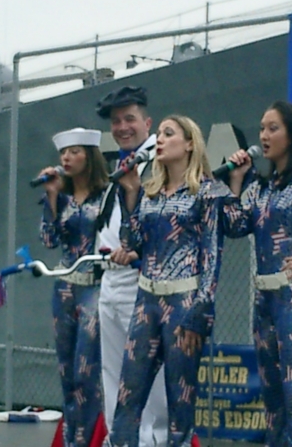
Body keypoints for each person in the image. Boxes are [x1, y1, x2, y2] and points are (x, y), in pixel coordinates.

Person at [103, 114, 231, 447]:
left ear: (190, 143)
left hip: (184, 301)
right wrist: (130, 190)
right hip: (146, 298)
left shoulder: (207, 191)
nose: (159, 139)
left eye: (168, 133)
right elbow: (132, 240)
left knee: (180, 400)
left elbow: (212, 255)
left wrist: (200, 311)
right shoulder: (150, 191)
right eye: (158, 133)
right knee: (128, 395)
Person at [222, 100, 292, 446]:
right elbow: (235, 226)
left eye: (273, 128)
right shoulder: (262, 187)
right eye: (262, 128)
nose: (263, 136)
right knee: (272, 400)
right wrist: (236, 180)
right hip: (263, 299)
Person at [95, 86, 168, 447]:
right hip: (111, 282)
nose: (123, 127)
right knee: (113, 375)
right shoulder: (122, 166)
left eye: (130, 119)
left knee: (149, 378)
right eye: (116, 121)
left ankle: (152, 441)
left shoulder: (159, 162)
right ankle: (119, 440)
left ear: (147, 122)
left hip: (143, 282)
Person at [39, 127, 108, 447]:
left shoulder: (107, 195)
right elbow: (49, 239)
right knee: (67, 373)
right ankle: (69, 439)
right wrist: (52, 196)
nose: (66, 158)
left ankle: (86, 439)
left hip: (94, 287)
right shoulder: (60, 196)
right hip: (64, 287)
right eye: (63, 153)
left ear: (90, 157)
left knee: (86, 372)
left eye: (75, 152)